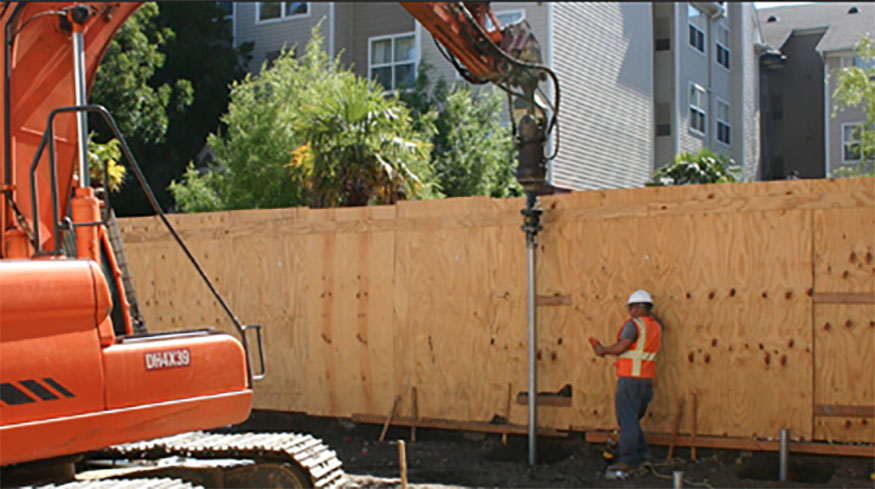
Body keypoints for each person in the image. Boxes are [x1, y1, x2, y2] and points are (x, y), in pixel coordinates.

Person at [590, 289, 663, 472]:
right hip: (646, 381)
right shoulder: (655, 326)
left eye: (631, 307)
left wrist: (603, 350)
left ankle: (628, 461)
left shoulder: (634, 325)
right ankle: (644, 456)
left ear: (638, 307)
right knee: (633, 420)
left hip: (630, 379)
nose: (629, 312)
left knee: (627, 421)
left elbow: (623, 346)